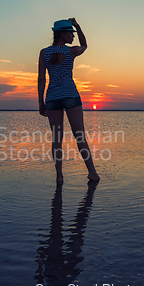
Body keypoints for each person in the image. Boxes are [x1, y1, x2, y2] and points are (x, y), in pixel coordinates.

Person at [38, 18, 100, 183]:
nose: (73, 37)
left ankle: (59, 176)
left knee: (56, 139)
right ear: (62, 34)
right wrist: (79, 26)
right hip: (70, 96)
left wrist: (40, 102)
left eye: (74, 33)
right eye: (70, 33)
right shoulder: (70, 52)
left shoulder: (44, 52)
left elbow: (41, 79)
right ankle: (92, 173)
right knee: (80, 136)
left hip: (52, 98)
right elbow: (85, 45)